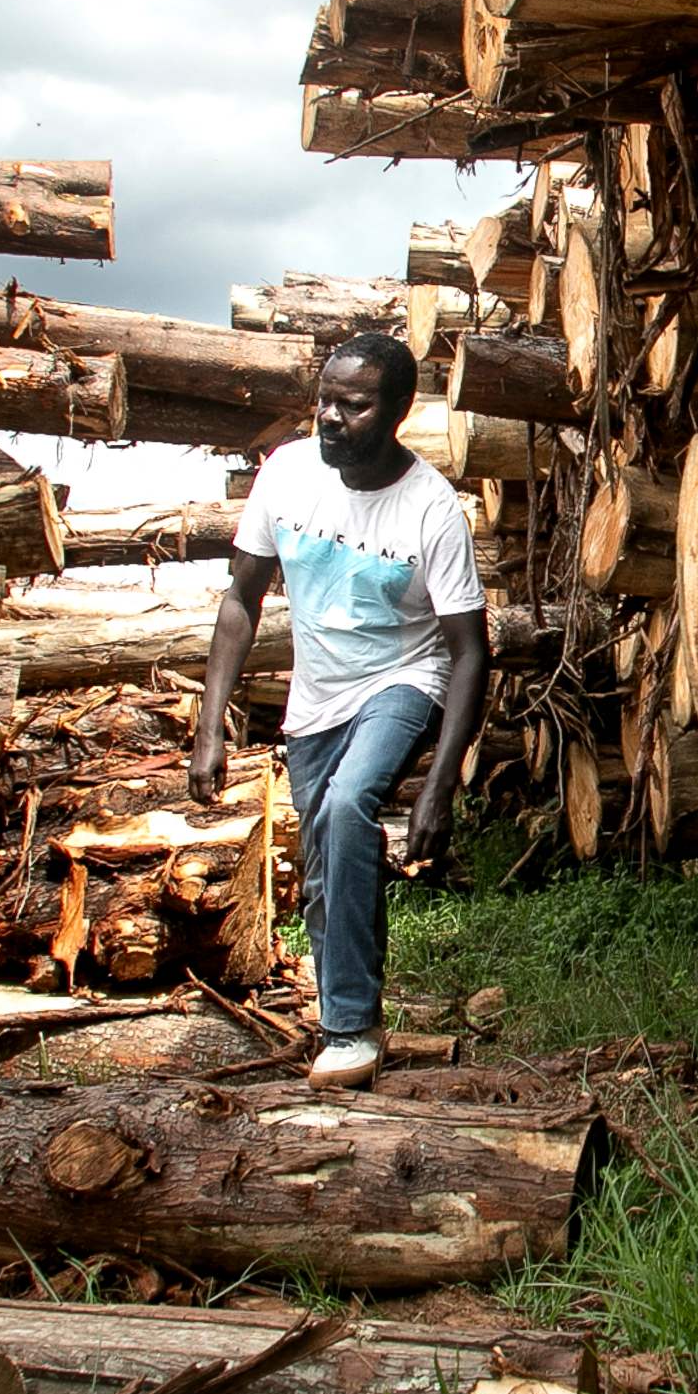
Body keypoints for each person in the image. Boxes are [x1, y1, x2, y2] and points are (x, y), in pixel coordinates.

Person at [183, 333, 488, 1087]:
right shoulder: (286, 473)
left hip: (406, 679)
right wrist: (208, 728)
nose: (330, 417)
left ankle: (349, 1029)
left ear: (397, 411)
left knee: (349, 805)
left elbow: (470, 651)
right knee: (324, 876)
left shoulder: (430, 508)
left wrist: (440, 787)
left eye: (352, 406)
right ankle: (354, 1017)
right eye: (325, 400)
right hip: (316, 700)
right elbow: (240, 600)